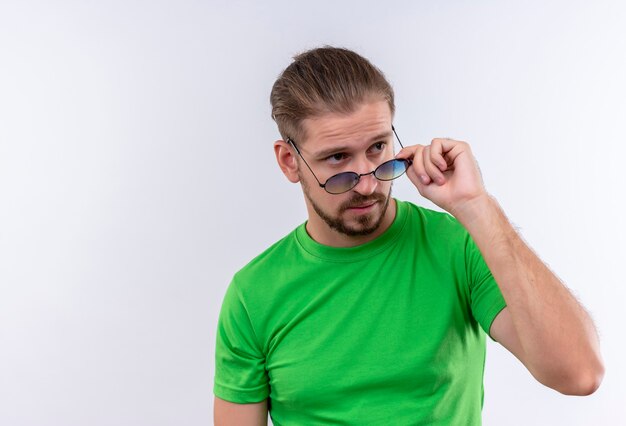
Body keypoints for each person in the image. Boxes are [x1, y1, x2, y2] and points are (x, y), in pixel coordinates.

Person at [213, 46, 604, 425]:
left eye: (378, 148)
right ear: (289, 161)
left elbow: (579, 374)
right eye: (337, 158)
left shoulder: (457, 245)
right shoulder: (253, 295)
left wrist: (475, 205)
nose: (367, 185)